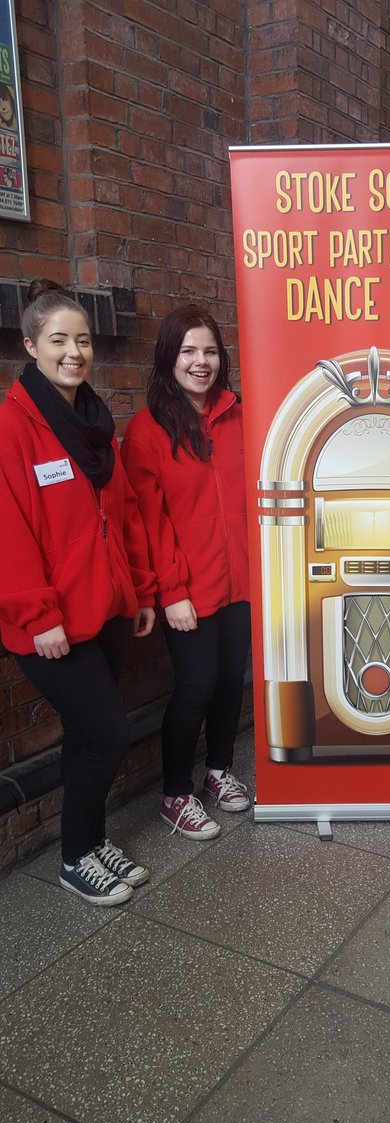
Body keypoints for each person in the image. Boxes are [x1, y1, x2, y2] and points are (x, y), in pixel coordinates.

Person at [0, 280, 156, 904]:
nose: (74, 352)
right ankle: (73, 857)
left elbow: (125, 516)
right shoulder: (13, 427)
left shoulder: (95, 421)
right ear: (32, 344)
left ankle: (89, 839)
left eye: (83, 340)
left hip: (107, 607)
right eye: (59, 339)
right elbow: (8, 530)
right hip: (50, 623)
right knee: (107, 734)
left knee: (88, 736)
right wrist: (39, 616)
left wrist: (140, 591)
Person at [122, 304, 250, 840]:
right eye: (189, 352)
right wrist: (169, 591)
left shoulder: (243, 414)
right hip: (188, 590)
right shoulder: (147, 430)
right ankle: (176, 792)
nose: (201, 362)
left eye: (210, 351)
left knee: (228, 685)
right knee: (195, 687)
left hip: (242, 582)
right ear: (169, 359)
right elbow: (147, 523)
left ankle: (218, 770)